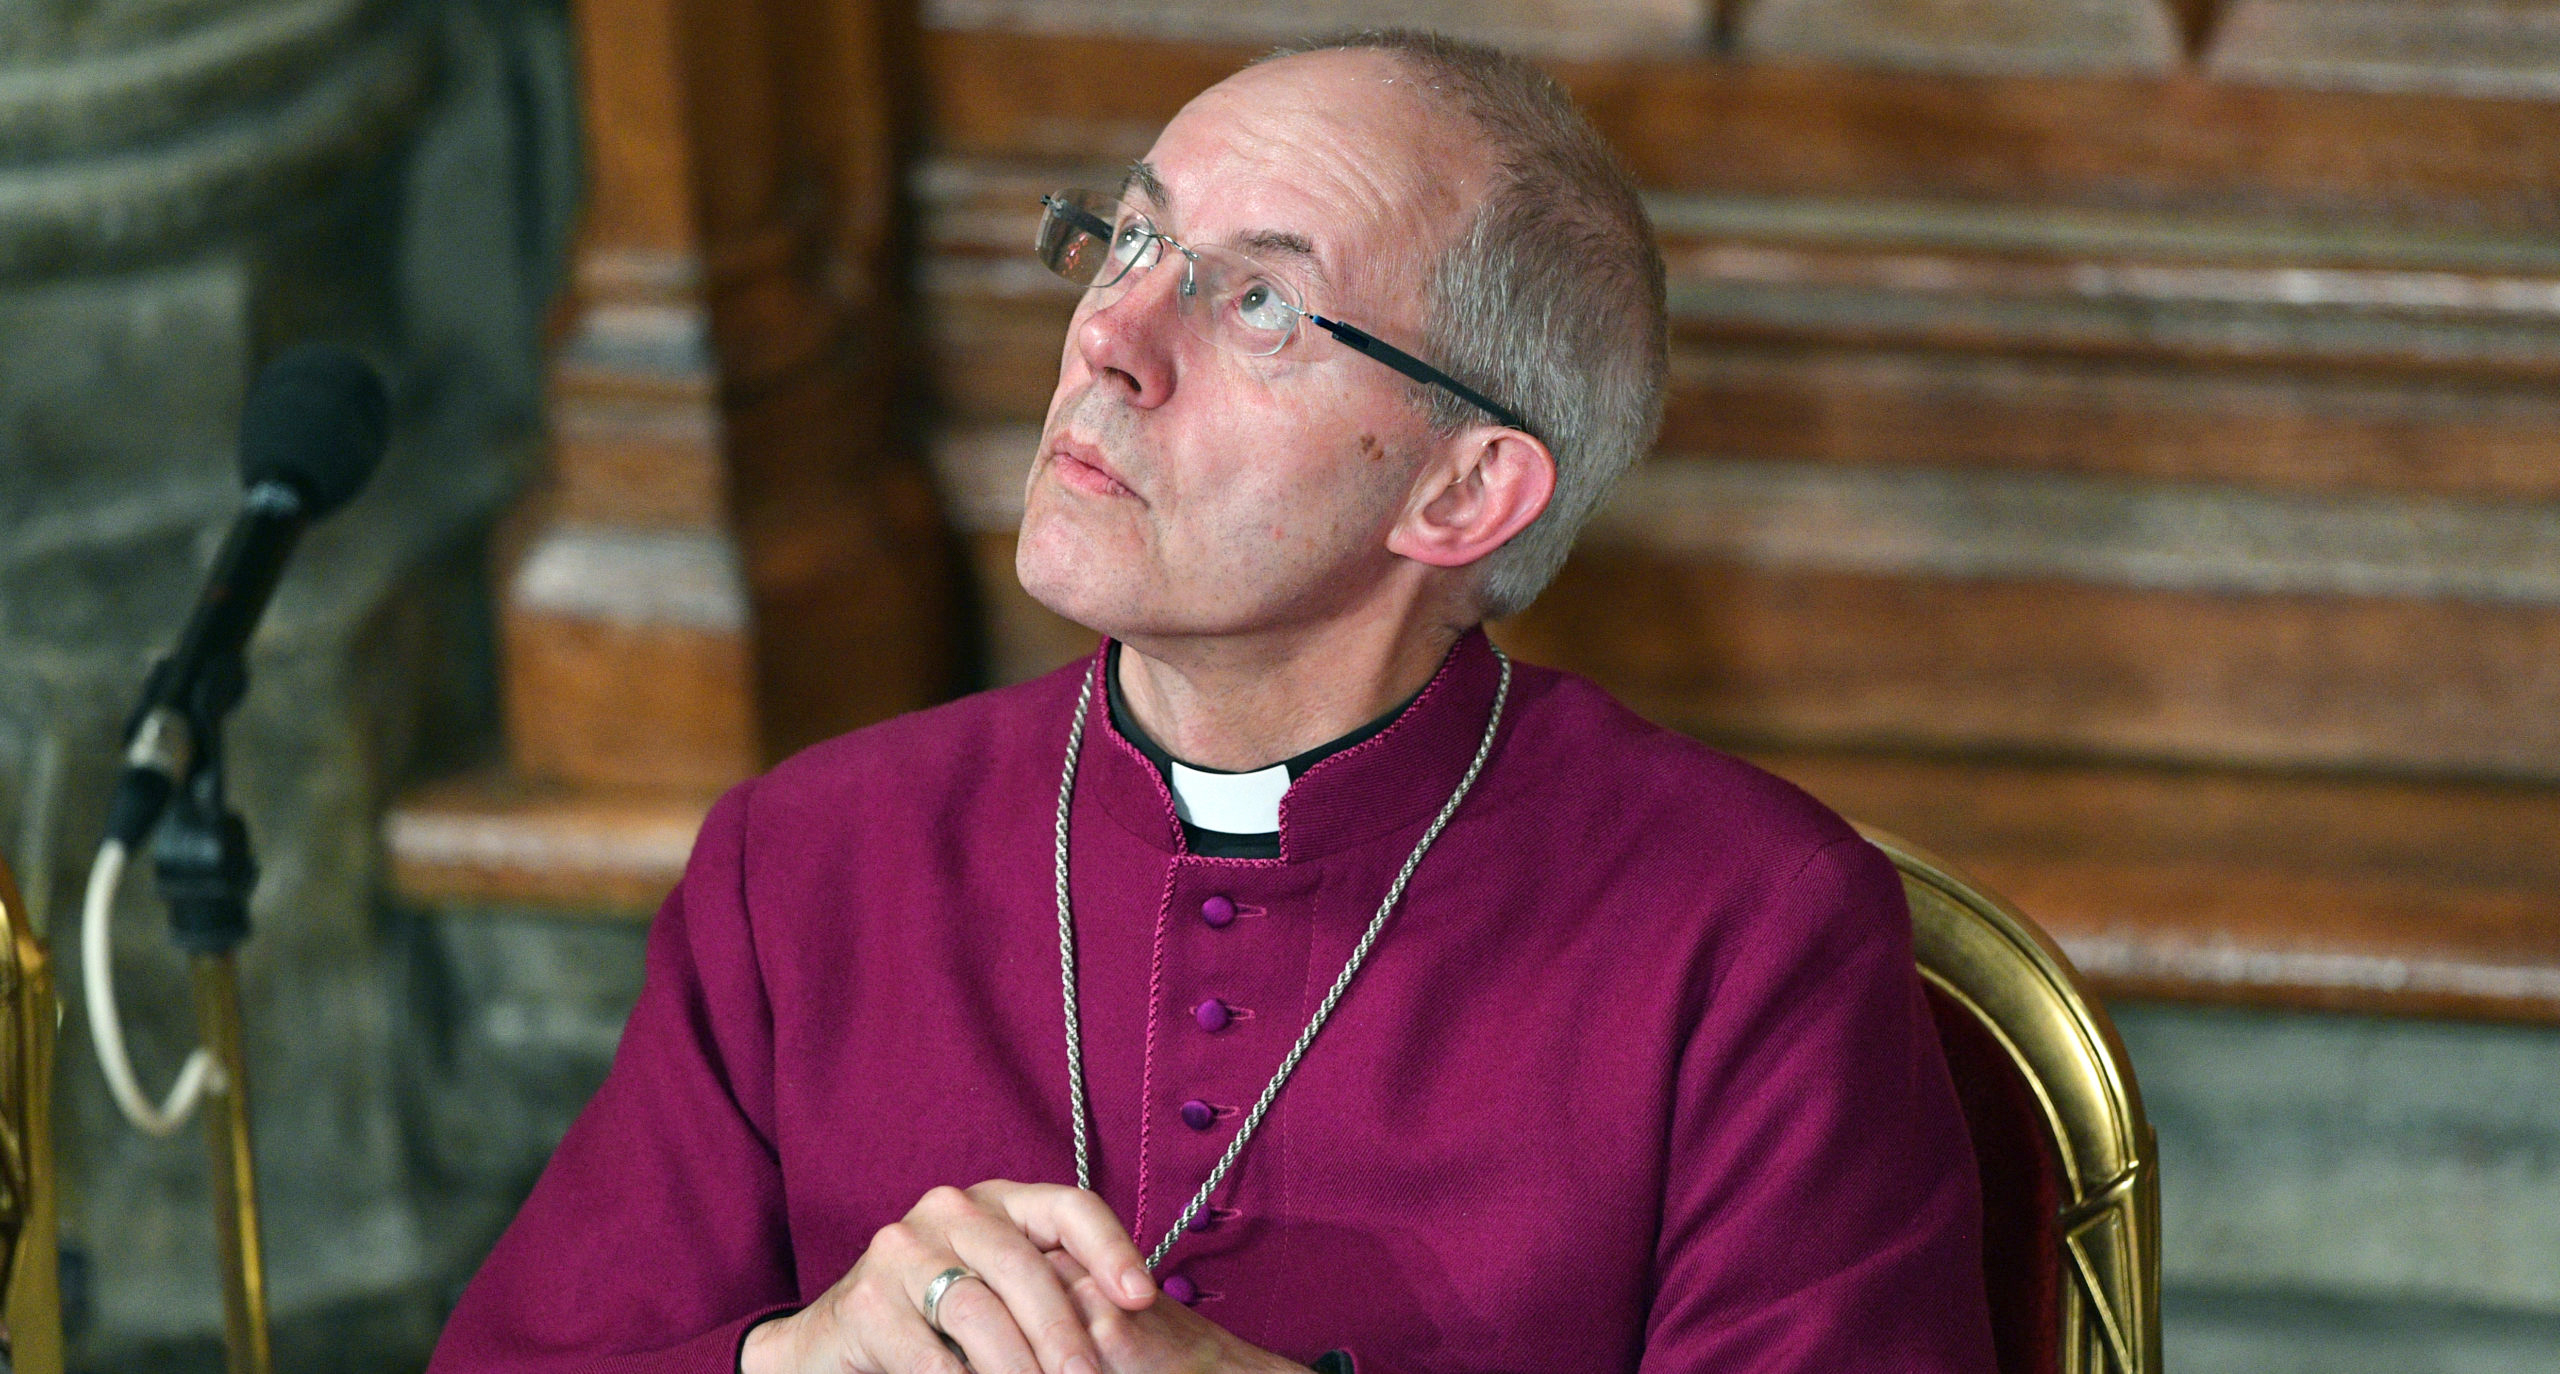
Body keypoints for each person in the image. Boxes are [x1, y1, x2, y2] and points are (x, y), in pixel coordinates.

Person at [429, 28, 1997, 1374]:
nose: (1108, 338)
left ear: (1462, 493)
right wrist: (794, 1356)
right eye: (1127, 241)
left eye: (1256, 306)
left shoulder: (1750, 934)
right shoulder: (807, 862)